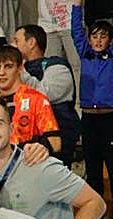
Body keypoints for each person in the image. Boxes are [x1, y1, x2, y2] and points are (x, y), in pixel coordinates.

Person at [14, 23, 80, 163]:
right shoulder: (15, 69)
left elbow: (44, 93)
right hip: (23, 138)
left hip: (57, 138)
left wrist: (20, 71)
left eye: (16, 41)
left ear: (31, 42)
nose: (12, 46)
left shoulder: (58, 66)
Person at [72, 0, 113, 197]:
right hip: (88, 119)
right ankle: (96, 209)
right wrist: (76, 5)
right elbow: (76, 31)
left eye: (103, 36)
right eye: (94, 36)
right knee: (93, 168)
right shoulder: (85, 53)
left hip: (109, 119)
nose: (98, 40)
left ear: (110, 41)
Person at [0, 45, 61, 153]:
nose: (2, 73)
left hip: (28, 161)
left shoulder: (37, 99)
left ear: (20, 68)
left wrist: (20, 150)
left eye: (8, 66)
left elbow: (55, 143)